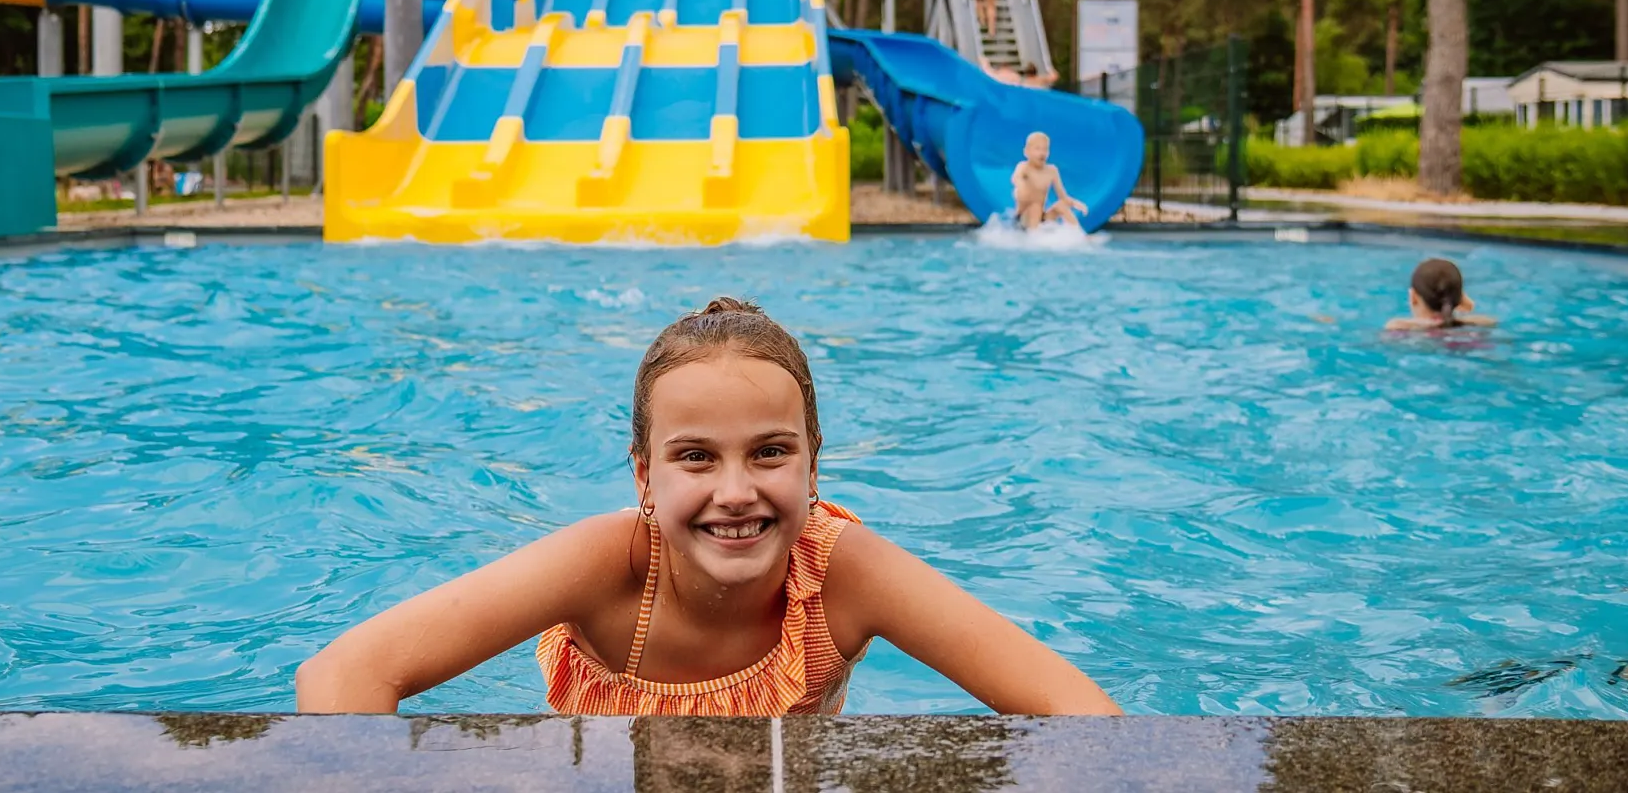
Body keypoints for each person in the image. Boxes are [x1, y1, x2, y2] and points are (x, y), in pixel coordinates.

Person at [296, 298, 1122, 717]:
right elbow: (343, 672)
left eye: (770, 452)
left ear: (812, 466)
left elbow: (1084, 714)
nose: (737, 491)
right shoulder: (603, 568)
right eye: (696, 457)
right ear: (644, 478)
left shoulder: (845, 576)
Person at [1385, 258, 1497, 331]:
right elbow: (1490, 321)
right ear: (1461, 298)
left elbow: (1393, 325)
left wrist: (1431, 324)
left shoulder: (1402, 329)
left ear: (1413, 297)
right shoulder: (1471, 325)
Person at [1012, 131, 1087, 230]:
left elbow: (1063, 197)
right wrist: (1021, 186)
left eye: (1045, 149)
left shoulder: (1052, 170)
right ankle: (1033, 237)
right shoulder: (1024, 167)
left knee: (1061, 206)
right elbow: (1016, 178)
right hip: (1023, 219)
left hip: (1041, 217)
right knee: (1035, 205)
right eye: (1037, 149)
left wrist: (1075, 203)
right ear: (1026, 152)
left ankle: (1080, 235)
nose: (1042, 153)